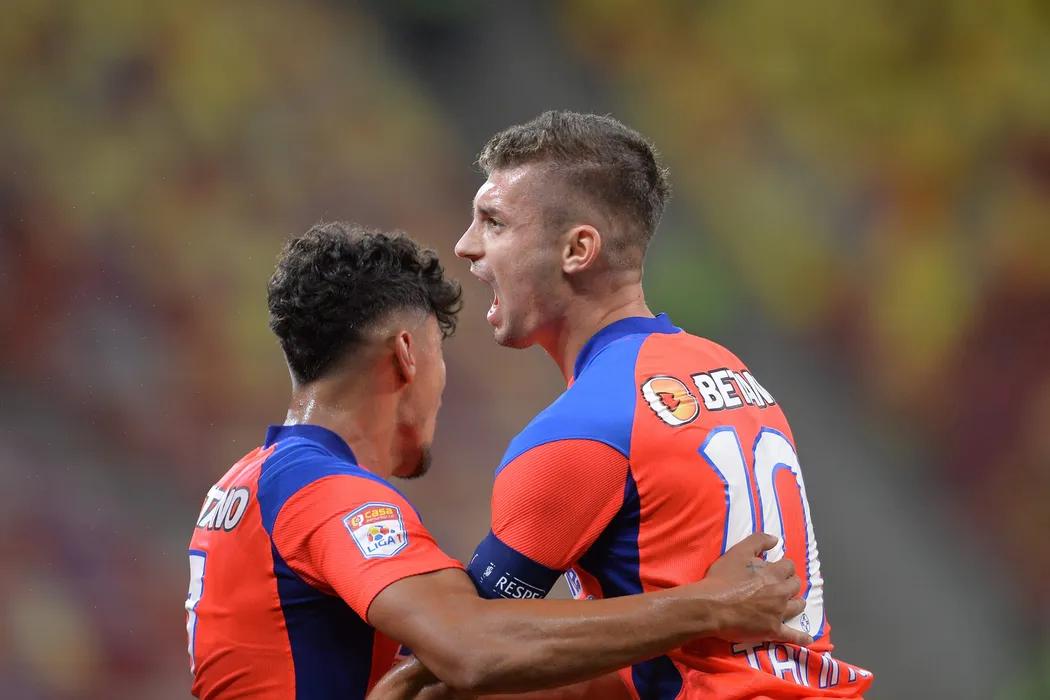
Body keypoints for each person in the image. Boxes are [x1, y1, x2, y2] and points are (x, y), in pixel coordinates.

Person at [184, 222, 813, 700]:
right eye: (440, 353)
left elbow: (461, 670)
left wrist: (653, 661)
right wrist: (708, 606)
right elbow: (471, 649)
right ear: (407, 354)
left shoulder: (253, 481)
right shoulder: (322, 490)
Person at [374, 111, 873, 699]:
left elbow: (466, 652)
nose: (465, 245)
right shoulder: (729, 373)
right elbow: (644, 669)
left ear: (577, 249)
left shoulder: (581, 431)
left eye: (494, 222)